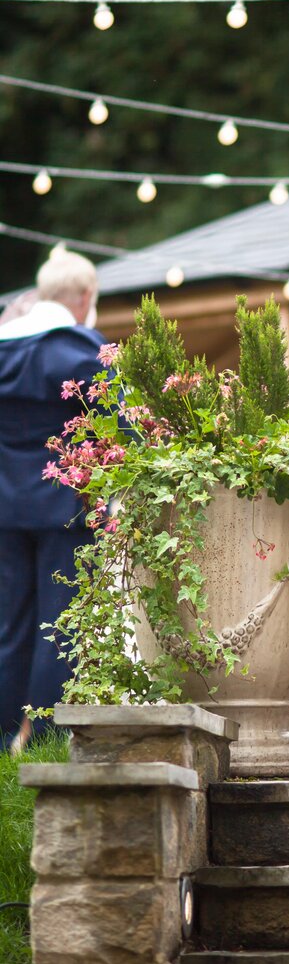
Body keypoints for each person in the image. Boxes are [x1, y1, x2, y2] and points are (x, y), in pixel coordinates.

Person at [0, 248, 105, 753]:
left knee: (8, 624)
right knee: (58, 624)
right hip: (67, 508)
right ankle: (43, 739)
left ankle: (2, 742)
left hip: (4, 508)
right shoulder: (79, 351)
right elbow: (117, 427)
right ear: (85, 298)